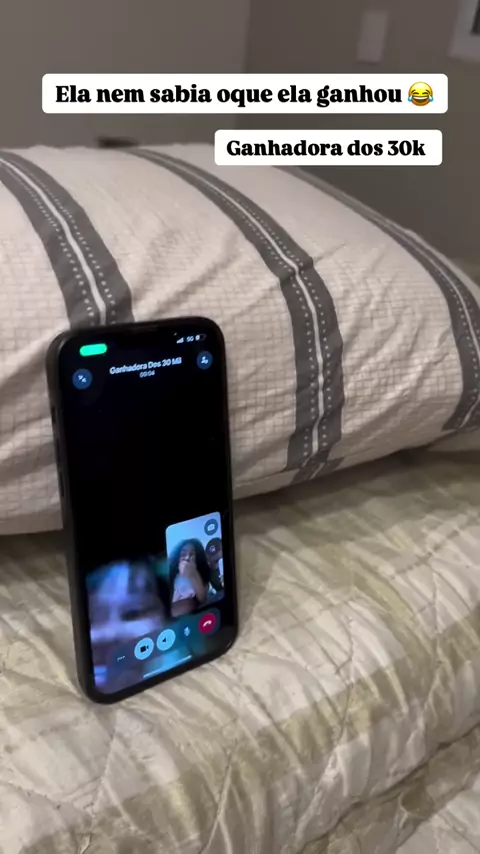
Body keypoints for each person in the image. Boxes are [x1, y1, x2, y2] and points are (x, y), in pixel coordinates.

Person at [169, 538, 212, 617]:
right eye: (183, 553)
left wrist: (193, 573)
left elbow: (202, 598)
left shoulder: (202, 573)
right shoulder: (171, 573)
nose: (187, 557)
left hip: (190, 611)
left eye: (192, 554)